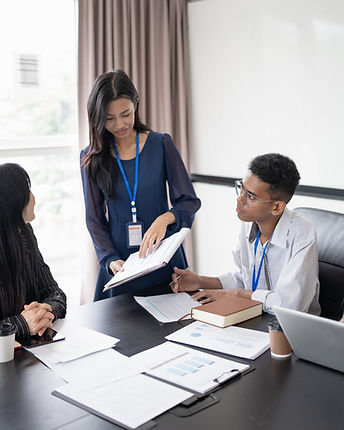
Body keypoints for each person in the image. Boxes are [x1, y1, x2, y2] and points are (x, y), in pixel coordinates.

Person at [80, 70, 201, 300]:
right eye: (109, 118)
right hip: (122, 266)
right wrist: (110, 259)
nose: (119, 124)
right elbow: (94, 219)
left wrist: (165, 219)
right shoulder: (91, 157)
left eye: (125, 114)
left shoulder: (161, 144)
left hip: (163, 259)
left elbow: (189, 202)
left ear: (136, 104)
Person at [171, 153, 320, 315]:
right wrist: (200, 281)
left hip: (291, 329)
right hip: (254, 314)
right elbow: (245, 279)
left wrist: (237, 295)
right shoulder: (249, 223)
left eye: (250, 196)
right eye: (241, 188)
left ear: (277, 207)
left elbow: (291, 306)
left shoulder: (302, 234)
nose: (239, 199)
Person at [0, 163, 66, 345]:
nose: (34, 198)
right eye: (28, 190)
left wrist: (46, 312)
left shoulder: (24, 233)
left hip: (31, 349)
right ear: (14, 201)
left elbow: (55, 292)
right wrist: (23, 323)